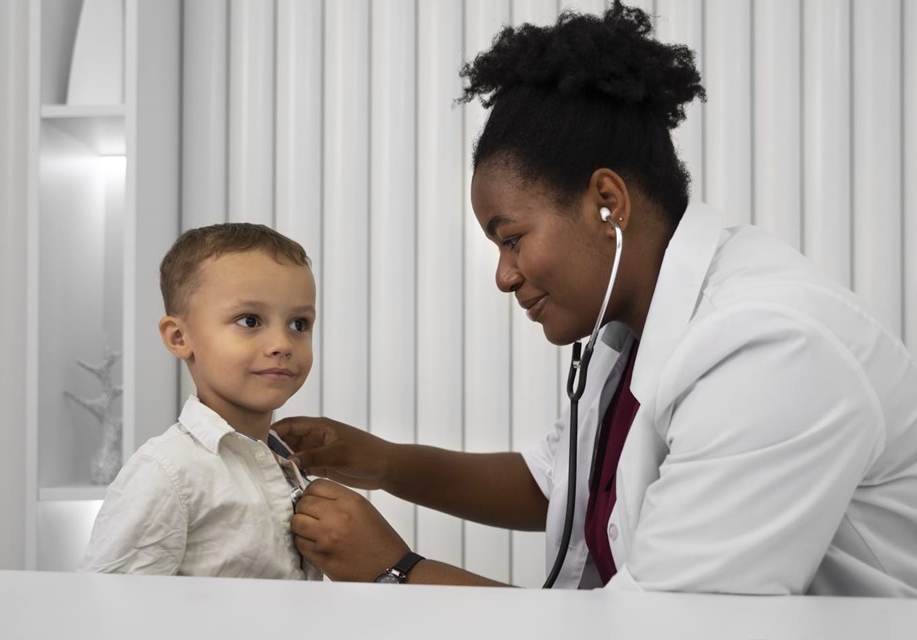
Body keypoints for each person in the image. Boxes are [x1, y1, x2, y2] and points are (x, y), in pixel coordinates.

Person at [277, 1, 917, 596]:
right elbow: (558, 484)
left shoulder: (771, 351)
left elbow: (665, 629)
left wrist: (396, 570)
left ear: (606, 204)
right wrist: (383, 463)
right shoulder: (634, 324)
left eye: (512, 238)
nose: (504, 276)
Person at [81, 222, 321, 580]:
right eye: (250, 320)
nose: (282, 344)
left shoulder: (287, 464)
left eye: (299, 324)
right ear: (179, 337)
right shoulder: (166, 472)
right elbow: (107, 600)